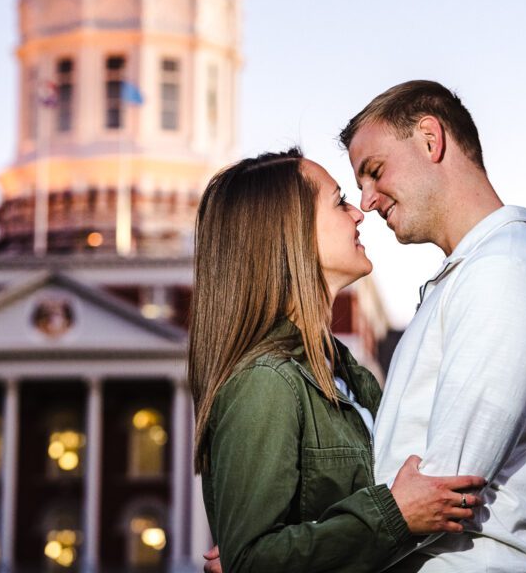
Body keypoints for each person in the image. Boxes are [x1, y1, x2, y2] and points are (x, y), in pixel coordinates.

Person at [189, 148, 485, 573]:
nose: (359, 213)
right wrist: (396, 516)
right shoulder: (265, 381)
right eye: (338, 200)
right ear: (289, 231)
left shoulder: (351, 375)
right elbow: (253, 559)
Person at [341, 80, 526, 572]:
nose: (365, 201)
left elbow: (441, 489)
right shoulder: (473, 274)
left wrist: (279, 560)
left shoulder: (505, 272)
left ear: (431, 140)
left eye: (375, 171)